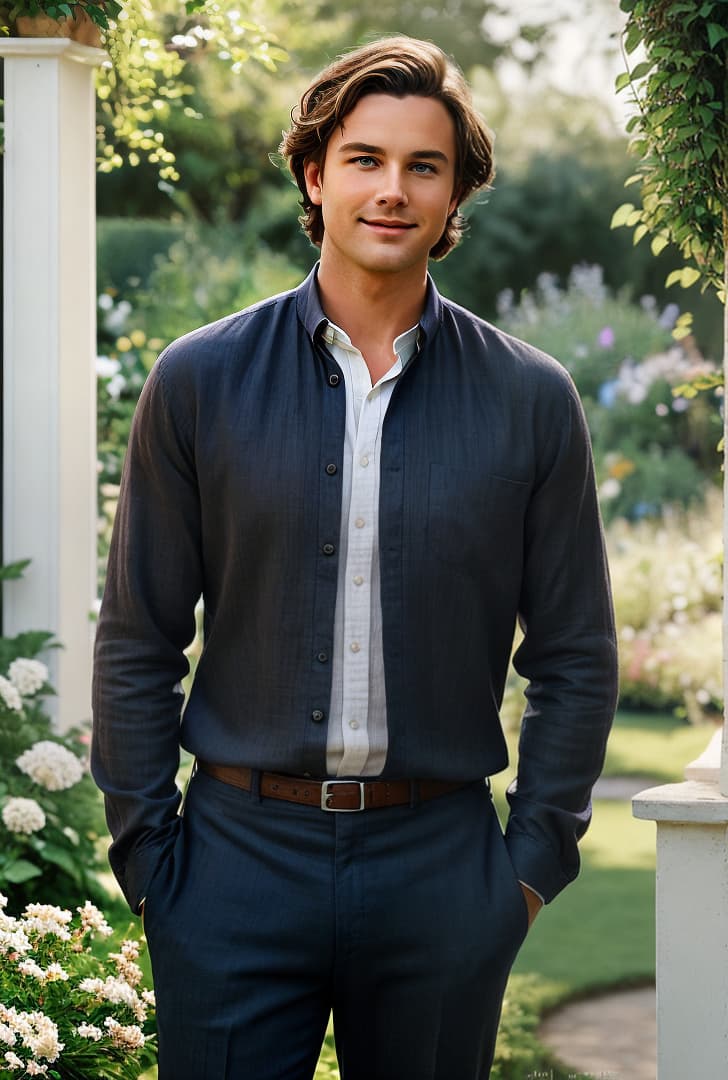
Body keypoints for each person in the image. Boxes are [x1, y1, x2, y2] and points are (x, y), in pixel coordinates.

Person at [92, 35, 618, 1080]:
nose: (391, 189)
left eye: (422, 166)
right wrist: (153, 861)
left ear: (454, 195)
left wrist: (524, 868)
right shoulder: (198, 380)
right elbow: (137, 638)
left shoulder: (530, 401)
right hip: (234, 864)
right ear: (313, 173)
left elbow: (574, 655)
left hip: (439, 870)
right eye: (365, 159)